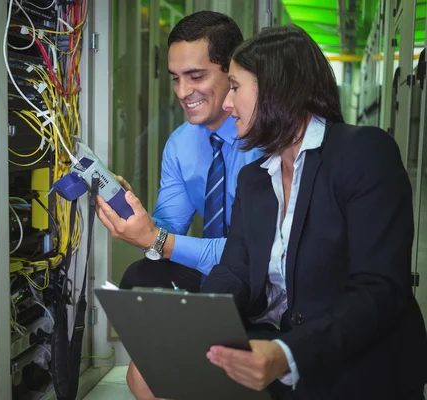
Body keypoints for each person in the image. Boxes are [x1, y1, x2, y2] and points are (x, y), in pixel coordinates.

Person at [201, 25, 427, 400]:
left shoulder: (364, 154)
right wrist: (199, 319)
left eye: (236, 87)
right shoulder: (254, 179)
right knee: (148, 377)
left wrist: (287, 354)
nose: (226, 103)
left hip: (355, 355)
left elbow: (379, 289)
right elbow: (235, 270)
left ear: (276, 88)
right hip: (278, 340)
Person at [95, 11, 262, 399]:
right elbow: (164, 236)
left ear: (233, 72)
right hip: (212, 276)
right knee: (140, 278)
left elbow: (254, 254)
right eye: (175, 78)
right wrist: (133, 215)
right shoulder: (181, 143)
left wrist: (157, 239)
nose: (182, 91)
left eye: (196, 76)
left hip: (261, 278)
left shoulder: (265, 140)